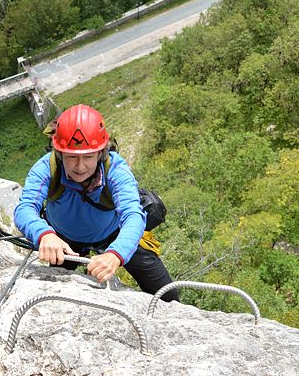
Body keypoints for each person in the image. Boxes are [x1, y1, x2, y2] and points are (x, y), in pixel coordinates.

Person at [14, 104, 179, 301]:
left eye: (88, 157)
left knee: (167, 295)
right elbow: (25, 208)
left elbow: (133, 215)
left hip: (113, 234)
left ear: (101, 153)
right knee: (57, 295)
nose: (80, 166)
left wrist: (115, 254)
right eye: (71, 157)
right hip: (63, 239)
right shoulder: (46, 169)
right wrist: (44, 235)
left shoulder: (115, 169)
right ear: (59, 154)